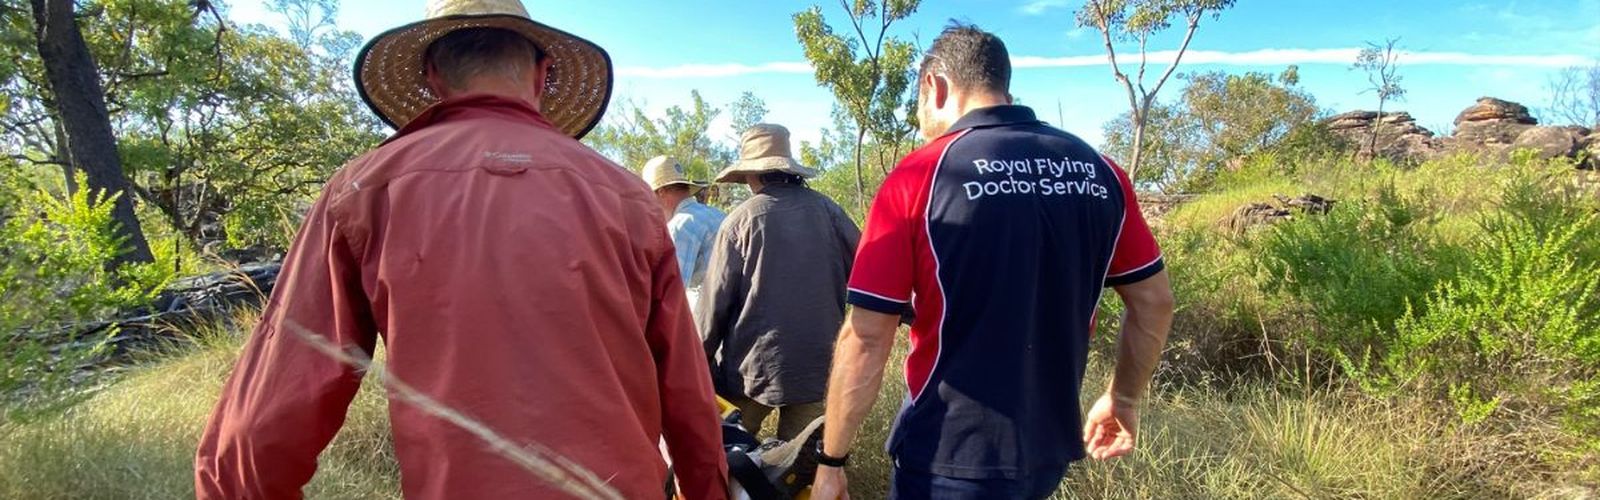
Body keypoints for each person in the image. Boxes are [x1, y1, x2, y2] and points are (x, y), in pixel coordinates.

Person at [192, 1, 728, 498]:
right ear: (542, 74)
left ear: (432, 77)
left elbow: (264, 416)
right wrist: (708, 489)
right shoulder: (627, 197)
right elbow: (686, 389)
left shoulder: (363, 191)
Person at [811, 22, 1175, 500]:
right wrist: (1123, 398)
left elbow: (867, 337)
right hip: (1046, 453)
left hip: (946, 455)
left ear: (935, 86)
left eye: (918, 107)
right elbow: (1154, 302)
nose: (921, 122)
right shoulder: (1100, 171)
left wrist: (831, 461)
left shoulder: (920, 176)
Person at [698, 124, 861, 441]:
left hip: (752, 369)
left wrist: (696, 362)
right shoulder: (829, 211)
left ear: (751, 174)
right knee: (802, 462)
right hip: (817, 365)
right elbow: (869, 271)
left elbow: (713, 306)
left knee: (727, 451)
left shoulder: (740, 221)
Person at [641, 156, 726, 320]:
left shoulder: (681, 225)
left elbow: (671, 294)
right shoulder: (717, 214)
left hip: (707, 318)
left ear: (660, 192)